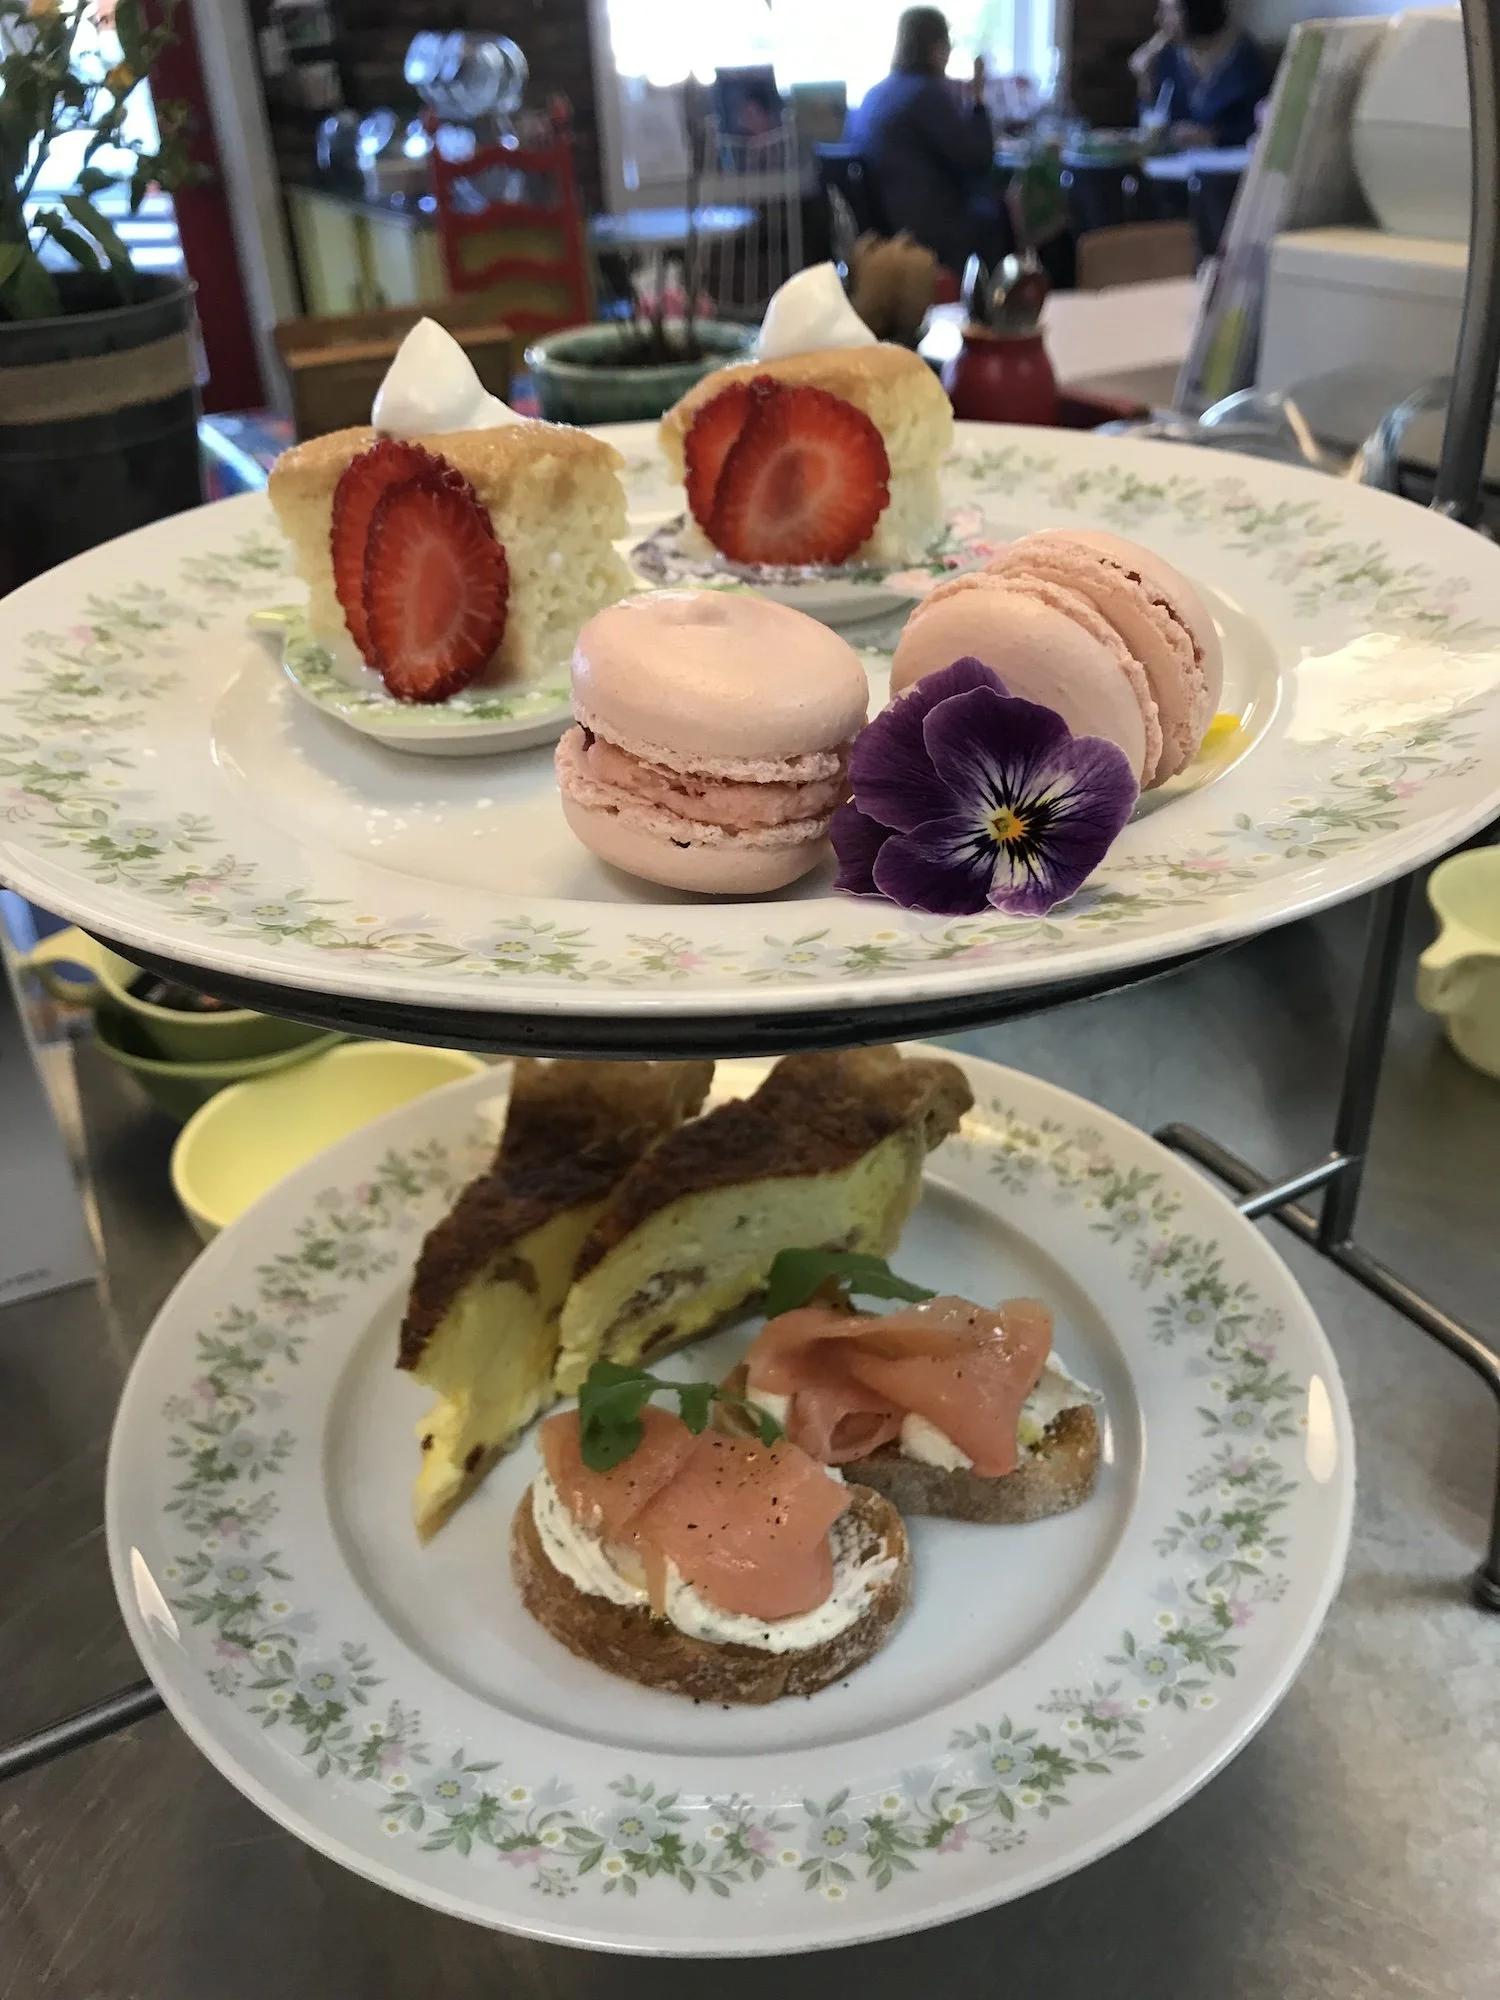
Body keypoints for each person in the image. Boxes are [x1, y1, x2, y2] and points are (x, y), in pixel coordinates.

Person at [844, 7, 1011, 275]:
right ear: (936, 47)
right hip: (930, 228)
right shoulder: (926, 94)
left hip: (885, 225)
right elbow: (977, 159)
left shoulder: (873, 96)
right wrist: (978, 100)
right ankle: (996, 304)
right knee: (998, 212)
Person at [1131, 0, 1269, 150]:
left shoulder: (1244, 56)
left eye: (1169, 11)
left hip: (1228, 161)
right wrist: (1145, 79)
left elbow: (1260, 123)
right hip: (1175, 164)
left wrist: (1213, 136)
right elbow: (1152, 124)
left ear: (1196, 12)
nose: (1158, 19)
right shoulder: (1167, 55)